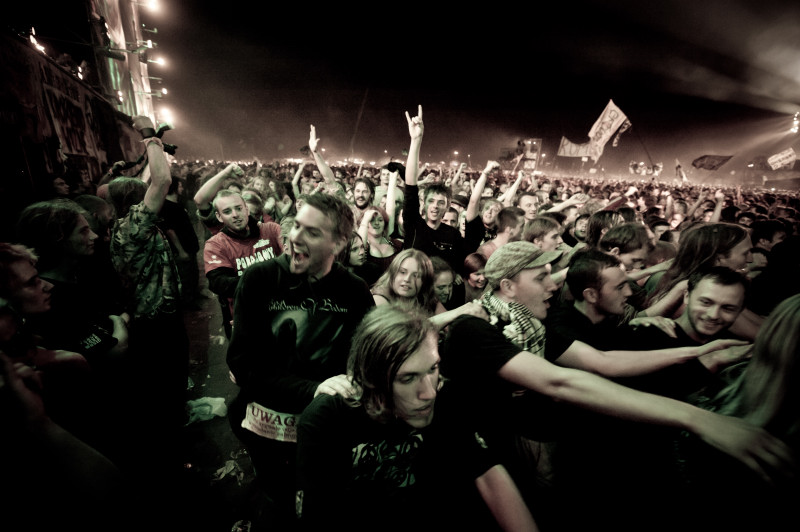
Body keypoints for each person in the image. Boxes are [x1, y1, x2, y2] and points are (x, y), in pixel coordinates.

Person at [438, 240, 792, 527]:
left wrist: (695, 354)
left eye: (552, 275)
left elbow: (604, 362)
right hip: (479, 461)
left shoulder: (534, 328)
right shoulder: (475, 329)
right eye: (541, 278)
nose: (552, 285)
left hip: (522, 457)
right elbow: (563, 382)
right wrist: (698, 418)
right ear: (508, 287)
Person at [296, 305, 538, 531]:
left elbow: (485, 471)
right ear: (371, 377)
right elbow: (322, 517)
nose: (429, 393)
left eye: (432, 369)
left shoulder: (446, 398)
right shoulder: (327, 418)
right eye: (407, 378)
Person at [226, 192, 375, 528]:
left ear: (338, 244)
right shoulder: (260, 280)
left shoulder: (353, 290)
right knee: (276, 500)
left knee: (318, 501)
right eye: (297, 225)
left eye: (312, 232)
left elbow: (364, 359)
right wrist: (313, 388)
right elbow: (242, 363)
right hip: (265, 422)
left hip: (322, 427)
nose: (295, 236)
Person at [401, 106, 483, 272]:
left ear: (447, 207)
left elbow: (465, 253)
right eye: (431, 201)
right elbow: (410, 184)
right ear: (424, 204)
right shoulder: (415, 224)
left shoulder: (452, 235)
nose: (435, 206)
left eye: (441, 202)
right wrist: (416, 141)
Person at [203, 189, 283, 337]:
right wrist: (270, 279)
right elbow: (220, 283)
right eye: (227, 211)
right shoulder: (215, 244)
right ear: (219, 217)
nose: (235, 214)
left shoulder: (271, 230)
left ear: (246, 209)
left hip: (281, 315)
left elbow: (294, 262)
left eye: (239, 208)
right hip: (245, 321)